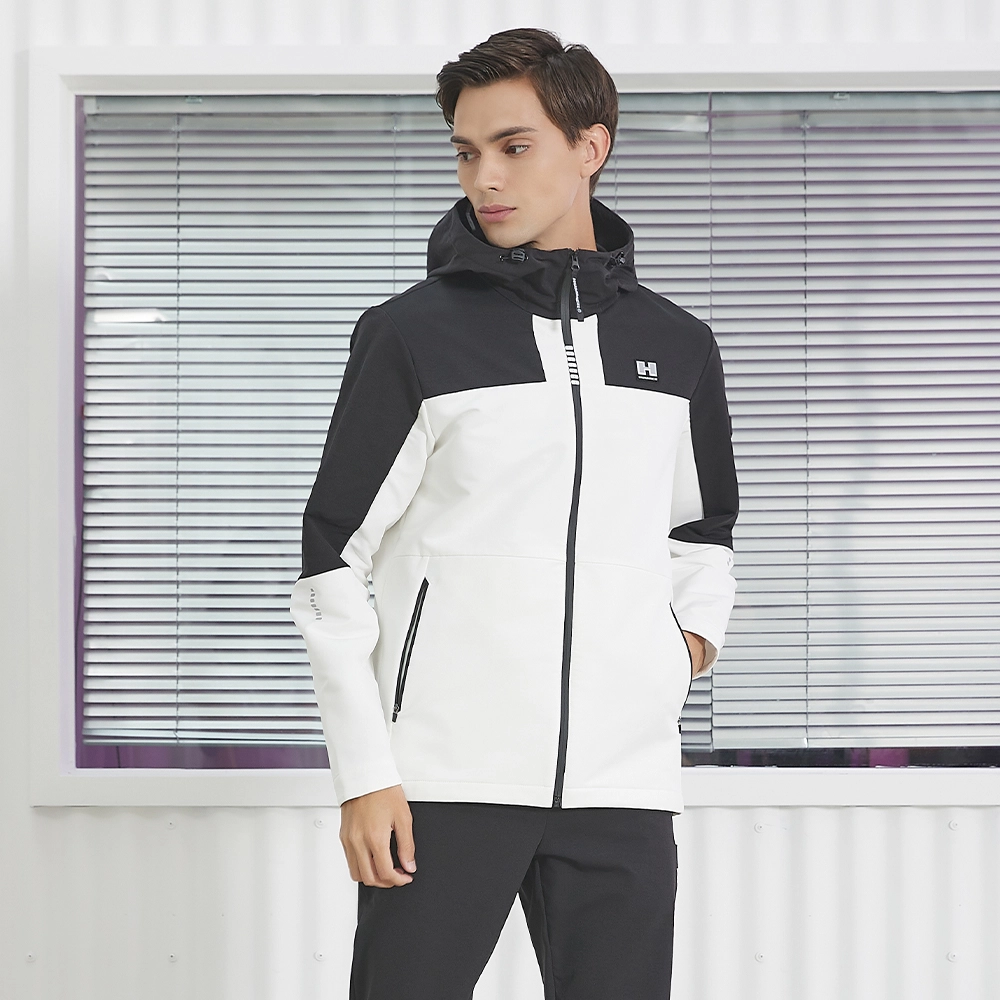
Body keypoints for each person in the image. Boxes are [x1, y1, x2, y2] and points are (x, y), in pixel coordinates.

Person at [289, 26, 739, 1000]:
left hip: (621, 779)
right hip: (441, 777)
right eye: (466, 151)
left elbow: (699, 533)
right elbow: (332, 559)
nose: (484, 176)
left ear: (590, 146)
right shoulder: (412, 335)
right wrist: (366, 772)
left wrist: (681, 647)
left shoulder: (678, 346)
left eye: (513, 145)